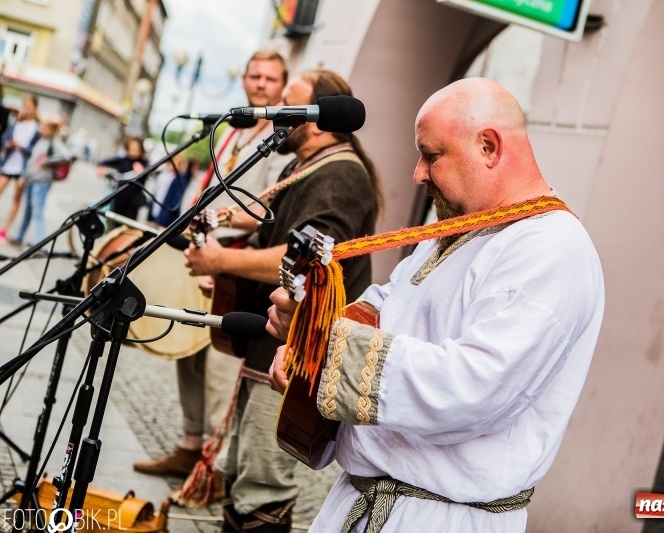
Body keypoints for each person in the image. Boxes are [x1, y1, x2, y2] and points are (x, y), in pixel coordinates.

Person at [265, 77, 605, 533]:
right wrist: (310, 327)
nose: (417, 173)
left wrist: (324, 346)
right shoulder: (458, 229)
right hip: (364, 503)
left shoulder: (551, 247)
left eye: (431, 155)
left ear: (488, 146)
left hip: (441, 518)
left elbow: (474, 384)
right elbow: (388, 307)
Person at [183, 68, 382, 533]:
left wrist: (221, 263)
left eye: (287, 106)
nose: (276, 116)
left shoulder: (342, 175)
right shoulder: (309, 166)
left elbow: (308, 259)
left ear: (315, 118)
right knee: (243, 473)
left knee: (262, 487)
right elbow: (276, 229)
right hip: (274, 346)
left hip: (298, 357)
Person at [132, 49, 293, 482]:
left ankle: (213, 467)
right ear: (243, 80)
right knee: (187, 354)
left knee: (221, 368)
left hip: (233, 264)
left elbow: (269, 210)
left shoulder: (282, 141)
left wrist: (222, 250)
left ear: (282, 86)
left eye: (269, 78)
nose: (260, 84)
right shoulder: (231, 131)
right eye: (254, 75)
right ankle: (189, 445)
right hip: (203, 253)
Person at [12, 117, 71, 245]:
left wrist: (47, 162)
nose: (42, 129)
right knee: (27, 211)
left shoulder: (54, 142)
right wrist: (24, 176)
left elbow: (65, 155)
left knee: (37, 212)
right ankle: (19, 237)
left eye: (45, 127)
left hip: (41, 182)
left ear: (51, 130)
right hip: (32, 180)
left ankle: (39, 243)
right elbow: (31, 161)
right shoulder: (41, 141)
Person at [0, 93, 40, 243]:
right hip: (8, 164)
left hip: (23, 169)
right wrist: (9, 144)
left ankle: (4, 229)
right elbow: (4, 139)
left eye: (30, 107)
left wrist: (22, 147)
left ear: (35, 109)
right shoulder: (15, 122)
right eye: (25, 107)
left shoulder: (37, 129)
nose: (27, 110)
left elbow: (35, 152)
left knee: (16, 199)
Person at [96, 136, 149, 224]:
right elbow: (103, 162)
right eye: (132, 148)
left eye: (136, 149)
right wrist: (102, 169)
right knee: (114, 223)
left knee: (128, 227)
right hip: (119, 198)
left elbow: (151, 170)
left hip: (132, 203)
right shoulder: (123, 160)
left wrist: (142, 171)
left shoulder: (144, 163)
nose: (134, 151)